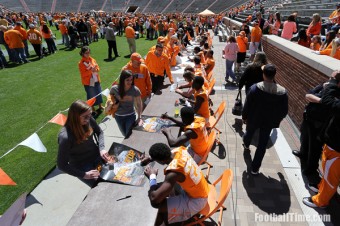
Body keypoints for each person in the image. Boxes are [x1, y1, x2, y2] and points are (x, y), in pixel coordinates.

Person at [142, 143, 209, 225]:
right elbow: (164, 153)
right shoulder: (180, 150)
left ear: (161, 161)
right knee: (162, 188)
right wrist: (150, 158)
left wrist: (152, 176)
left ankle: (165, 221)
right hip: (202, 190)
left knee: (157, 203)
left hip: (197, 201)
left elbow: (154, 199)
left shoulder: (173, 173)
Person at [302, 72, 340, 208]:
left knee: (331, 178)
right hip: (333, 144)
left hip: (337, 148)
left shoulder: (332, 87)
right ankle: (321, 188)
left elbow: (328, 101)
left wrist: (333, 82)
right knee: (327, 172)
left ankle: (320, 201)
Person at [242, 64, 288, 174]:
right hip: (269, 121)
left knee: (249, 132)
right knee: (262, 144)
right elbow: (284, 111)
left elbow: (247, 104)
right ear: (274, 75)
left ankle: (246, 144)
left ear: (263, 74)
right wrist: (278, 119)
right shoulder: (282, 92)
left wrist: (244, 116)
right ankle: (255, 168)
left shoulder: (255, 88)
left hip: (254, 118)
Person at [57, 100, 109, 181]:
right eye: (85, 117)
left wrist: (102, 149)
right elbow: (61, 165)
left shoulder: (89, 119)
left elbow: (99, 132)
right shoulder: (65, 137)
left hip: (97, 156)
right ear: (75, 116)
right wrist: (84, 175)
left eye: (90, 115)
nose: (88, 119)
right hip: (82, 167)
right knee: (100, 186)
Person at [109, 70, 143, 138]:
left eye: (131, 80)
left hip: (130, 116)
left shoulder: (135, 90)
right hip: (118, 116)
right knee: (124, 134)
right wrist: (112, 105)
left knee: (128, 135)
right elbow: (110, 100)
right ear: (122, 80)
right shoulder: (114, 89)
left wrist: (139, 117)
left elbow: (139, 104)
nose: (130, 82)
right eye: (127, 80)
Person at [78, 46, 104, 113]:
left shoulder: (92, 59)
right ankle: (92, 109)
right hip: (88, 82)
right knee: (91, 95)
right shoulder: (81, 63)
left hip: (96, 79)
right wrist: (91, 71)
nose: (88, 54)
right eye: (86, 53)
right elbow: (83, 74)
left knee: (98, 92)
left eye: (89, 52)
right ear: (82, 53)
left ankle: (100, 106)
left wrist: (96, 69)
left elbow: (98, 67)